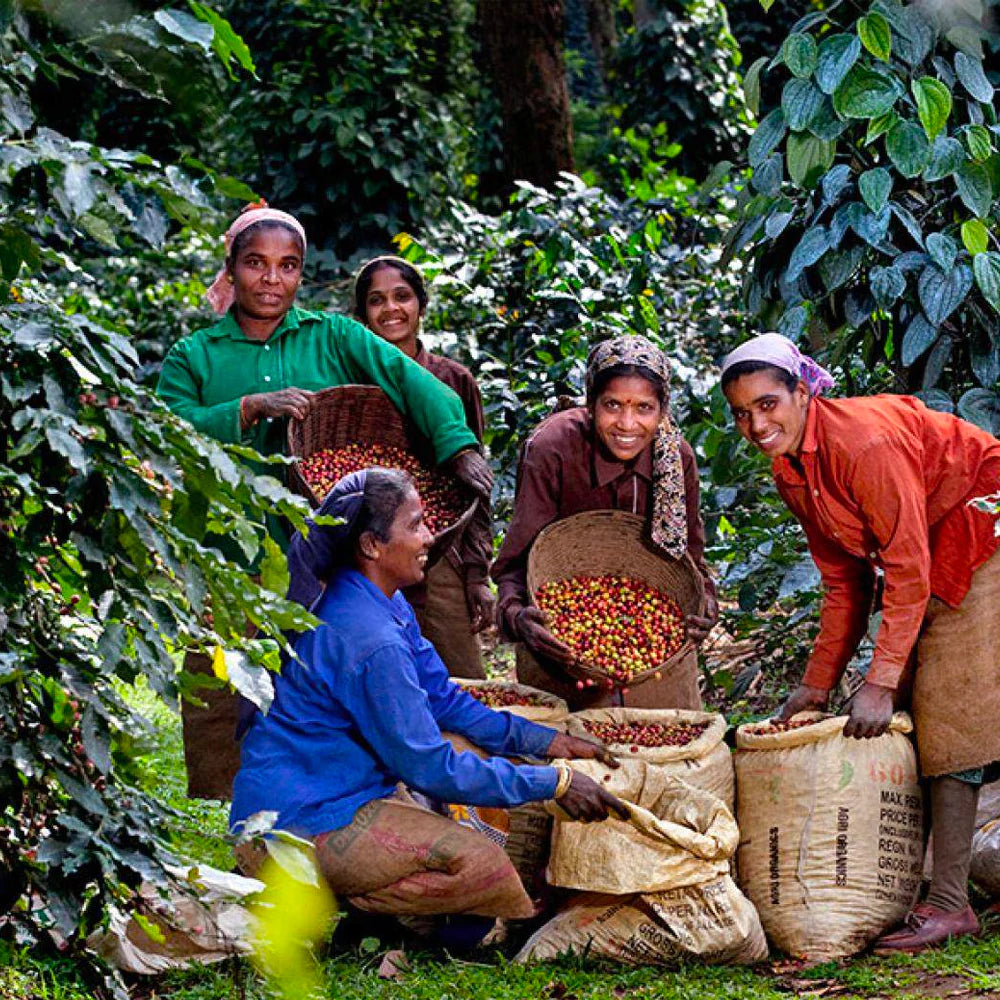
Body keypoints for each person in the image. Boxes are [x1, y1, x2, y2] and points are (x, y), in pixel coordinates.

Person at [156, 202, 492, 799]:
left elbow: (416, 383)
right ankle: (229, 806)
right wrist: (247, 409)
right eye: (256, 263)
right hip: (227, 544)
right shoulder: (195, 355)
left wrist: (459, 445)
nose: (271, 279)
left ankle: (331, 799)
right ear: (230, 269)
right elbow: (167, 430)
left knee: (317, 672)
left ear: (301, 274)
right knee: (223, 669)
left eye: (287, 266)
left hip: (318, 545)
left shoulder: (332, 336)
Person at [231, 468, 627, 929]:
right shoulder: (371, 639)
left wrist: (543, 743)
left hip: (339, 786)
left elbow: (442, 699)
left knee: (466, 751)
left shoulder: (384, 600)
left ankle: (372, 899)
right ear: (371, 546)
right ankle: (342, 907)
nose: (429, 537)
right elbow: (430, 767)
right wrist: (552, 784)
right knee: (483, 866)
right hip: (295, 820)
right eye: (415, 525)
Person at [720, 332, 1000, 954]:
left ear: (802, 391)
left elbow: (906, 568)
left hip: (981, 521)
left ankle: (953, 904)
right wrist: (816, 685)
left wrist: (877, 681)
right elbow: (845, 581)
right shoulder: (790, 466)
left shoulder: (861, 442)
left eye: (768, 404)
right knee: (902, 696)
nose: (756, 424)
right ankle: (914, 877)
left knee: (951, 700)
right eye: (742, 413)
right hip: (931, 540)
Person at [491, 335, 718, 711]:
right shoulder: (553, 448)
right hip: (561, 654)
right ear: (591, 405)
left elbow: (691, 559)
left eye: (644, 408)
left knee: (666, 751)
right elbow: (516, 562)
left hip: (657, 662)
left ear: (662, 411)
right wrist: (517, 617)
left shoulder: (675, 458)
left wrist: (705, 602)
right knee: (570, 758)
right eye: (613, 405)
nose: (627, 423)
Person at [353, 255, 492, 679]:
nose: (391, 309)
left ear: (421, 305)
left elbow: (476, 484)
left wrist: (476, 574)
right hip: (370, 556)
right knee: (381, 677)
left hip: (441, 551)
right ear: (361, 316)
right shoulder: (353, 380)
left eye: (402, 297)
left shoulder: (453, 380)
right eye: (377, 301)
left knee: (461, 680)